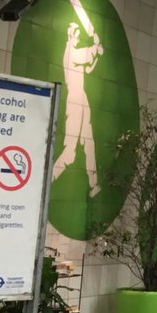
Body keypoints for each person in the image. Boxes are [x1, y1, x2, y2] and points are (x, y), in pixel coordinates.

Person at [51, 21, 104, 196]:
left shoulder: (76, 53)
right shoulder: (70, 53)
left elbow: (88, 68)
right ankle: (47, 181)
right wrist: (96, 45)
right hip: (74, 101)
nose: (78, 37)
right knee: (70, 153)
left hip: (82, 98)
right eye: (76, 34)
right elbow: (88, 55)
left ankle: (93, 184)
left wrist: (96, 51)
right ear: (70, 35)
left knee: (89, 142)